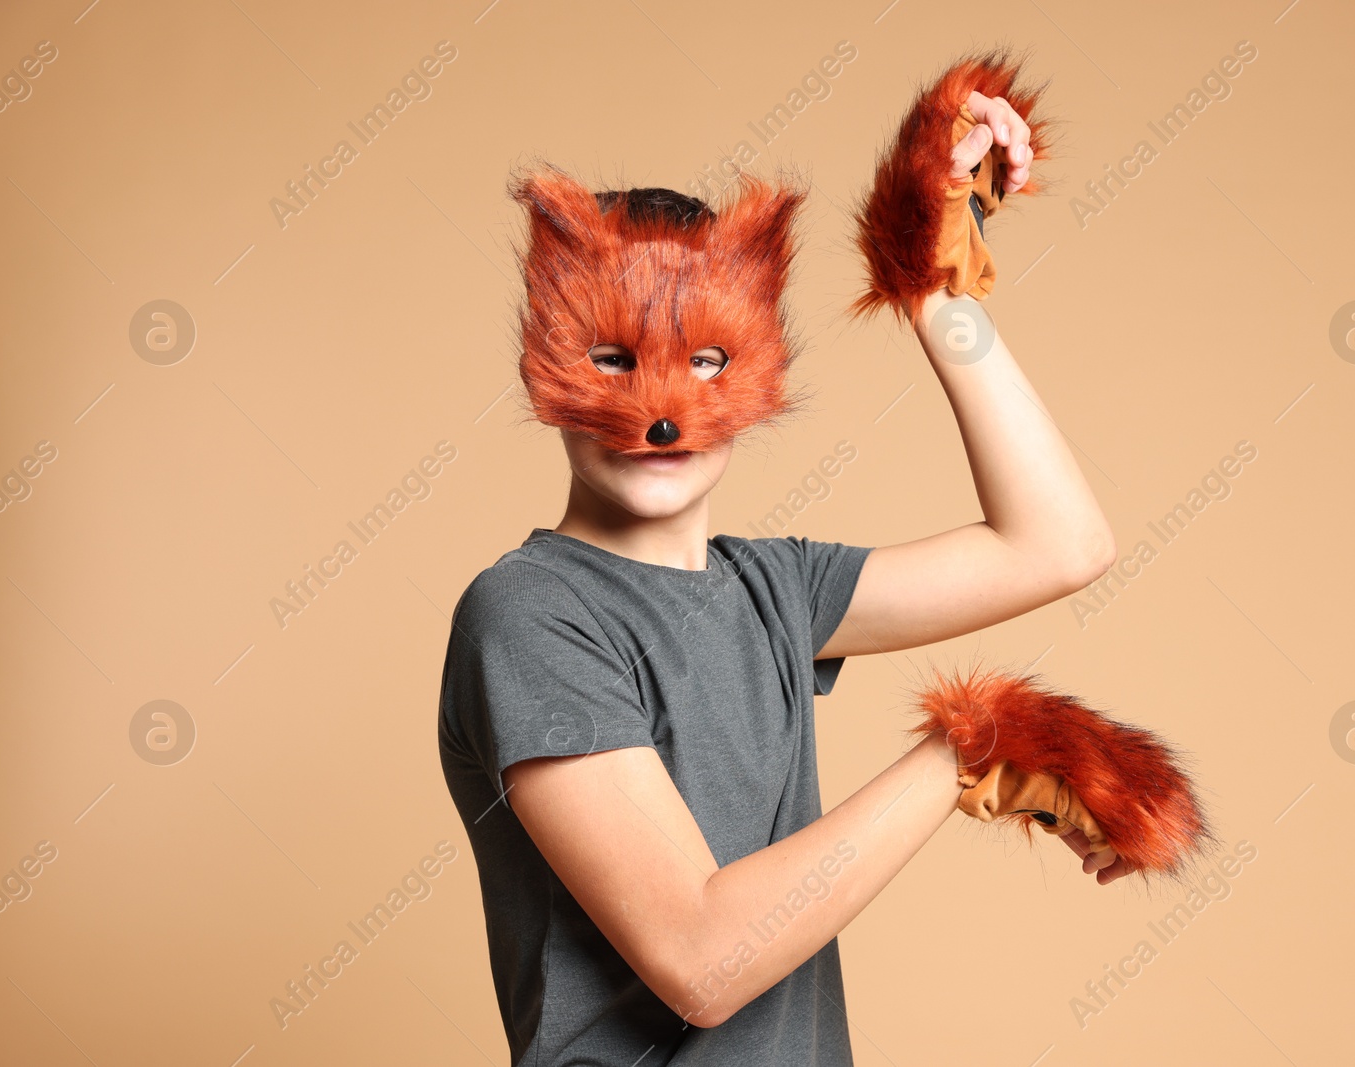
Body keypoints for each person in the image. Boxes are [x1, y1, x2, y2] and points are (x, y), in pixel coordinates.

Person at [438, 59, 1123, 1066]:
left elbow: (1060, 543)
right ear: (543, 358)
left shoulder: (775, 591)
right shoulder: (531, 614)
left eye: (706, 358)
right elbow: (702, 957)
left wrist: (932, 288)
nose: (661, 410)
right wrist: (966, 750)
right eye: (615, 359)